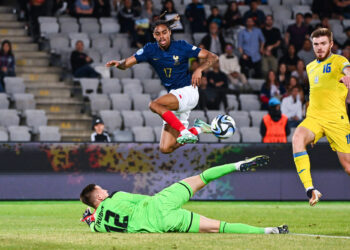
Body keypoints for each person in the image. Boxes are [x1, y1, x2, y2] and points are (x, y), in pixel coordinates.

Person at [80, 155, 289, 234]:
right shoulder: (115, 196)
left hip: (161, 223)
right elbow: (143, 199)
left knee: (219, 227)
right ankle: (236, 164)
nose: (105, 190)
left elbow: (93, 224)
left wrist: (90, 219)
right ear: (98, 197)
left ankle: (269, 231)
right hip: (160, 202)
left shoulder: (98, 226)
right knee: (202, 178)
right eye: (101, 190)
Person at [106, 15, 218, 154]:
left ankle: (184, 131)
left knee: (154, 105)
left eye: (164, 32)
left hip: (188, 92)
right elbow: (126, 64)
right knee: (165, 148)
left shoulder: (182, 46)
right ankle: (199, 128)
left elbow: (213, 57)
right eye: (158, 34)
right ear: (153, 35)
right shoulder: (150, 50)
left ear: (170, 32)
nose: (162, 36)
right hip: (175, 99)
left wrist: (199, 70)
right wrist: (119, 64)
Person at [292, 28, 350, 207]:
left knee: (348, 167)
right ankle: (310, 189)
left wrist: (348, 77)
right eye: (316, 44)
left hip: (336, 120)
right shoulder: (310, 67)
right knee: (297, 137)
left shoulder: (340, 61)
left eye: (323, 43)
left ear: (331, 44)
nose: (319, 47)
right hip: (314, 118)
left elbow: (348, 70)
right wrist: (312, 132)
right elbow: (314, 94)